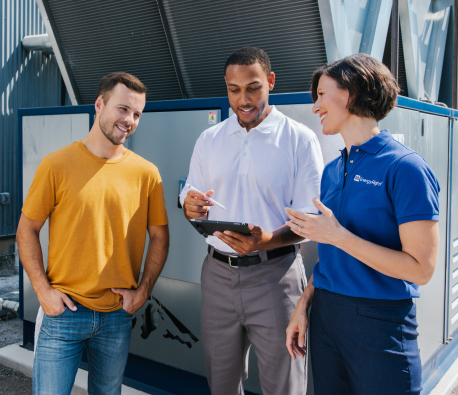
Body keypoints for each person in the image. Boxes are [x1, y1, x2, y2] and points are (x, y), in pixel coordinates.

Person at [285, 54, 440, 395]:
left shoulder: (405, 168)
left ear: (352, 92)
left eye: (322, 94)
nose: (315, 106)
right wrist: (304, 303)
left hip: (379, 324)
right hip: (326, 317)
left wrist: (339, 236)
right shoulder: (331, 171)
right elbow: (329, 258)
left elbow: (421, 270)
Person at [180, 47, 324, 395]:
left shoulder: (299, 140)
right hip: (216, 276)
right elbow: (191, 194)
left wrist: (267, 240)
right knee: (222, 384)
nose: (243, 99)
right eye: (234, 89)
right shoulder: (209, 139)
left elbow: (312, 219)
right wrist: (190, 206)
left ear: (270, 82)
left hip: (276, 278)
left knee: (284, 384)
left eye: (253, 87)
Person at [16, 72, 170, 395]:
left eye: (137, 114)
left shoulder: (147, 174)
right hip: (63, 312)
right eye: (123, 109)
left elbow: (160, 235)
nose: (130, 120)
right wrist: (43, 291)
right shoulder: (56, 165)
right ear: (99, 104)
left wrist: (142, 292)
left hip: (116, 317)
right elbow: (26, 230)